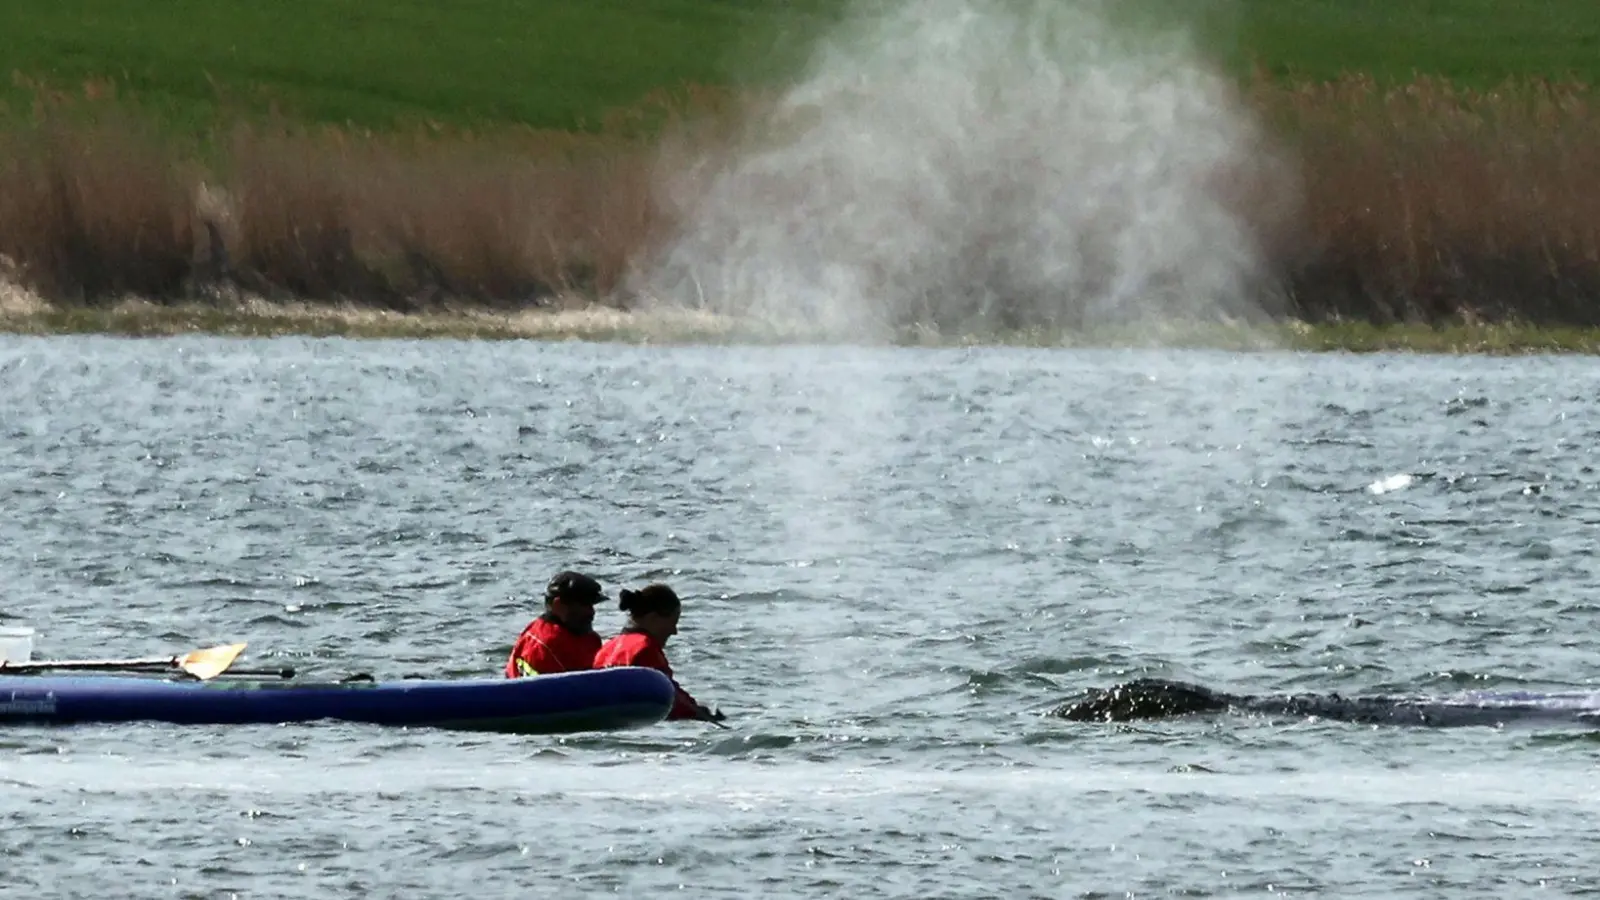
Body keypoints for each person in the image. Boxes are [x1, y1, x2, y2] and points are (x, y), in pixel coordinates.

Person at [593, 583, 725, 724]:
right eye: (673, 622)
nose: (674, 631)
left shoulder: (606, 649)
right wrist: (702, 715)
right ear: (653, 618)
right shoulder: (645, 648)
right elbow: (670, 699)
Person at [504, 570, 606, 678]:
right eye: (584, 605)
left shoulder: (533, 630)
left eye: (591, 605)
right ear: (559, 605)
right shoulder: (550, 646)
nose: (591, 612)